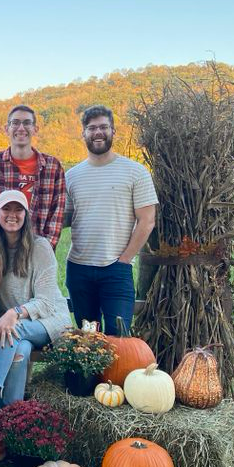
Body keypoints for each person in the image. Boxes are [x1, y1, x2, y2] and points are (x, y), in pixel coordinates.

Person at [0, 191, 72, 461]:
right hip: (13, 328)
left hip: (48, 321)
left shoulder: (39, 246)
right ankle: (6, 425)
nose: (12, 215)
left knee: (13, 331)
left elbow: (46, 300)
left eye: (18, 210)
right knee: (18, 350)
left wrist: (15, 313)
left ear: (26, 215)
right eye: (6, 209)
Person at [64, 105, 157, 333]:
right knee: (87, 340)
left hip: (116, 268)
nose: (98, 132)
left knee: (119, 338)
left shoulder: (135, 172)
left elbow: (147, 220)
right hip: (78, 269)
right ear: (83, 133)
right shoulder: (71, 176)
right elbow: (64, 217)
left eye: (104, 127)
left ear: (114, 131)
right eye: (92, 128)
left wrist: (124, 259)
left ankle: (119, 371)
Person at [0, 104, 66, 249]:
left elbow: (57, 214)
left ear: (35, 129)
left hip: (38, 251)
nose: (21, 128)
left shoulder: (53, 166)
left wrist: (44, 250)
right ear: (7, 129)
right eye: (15, 123)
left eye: (27, 123)